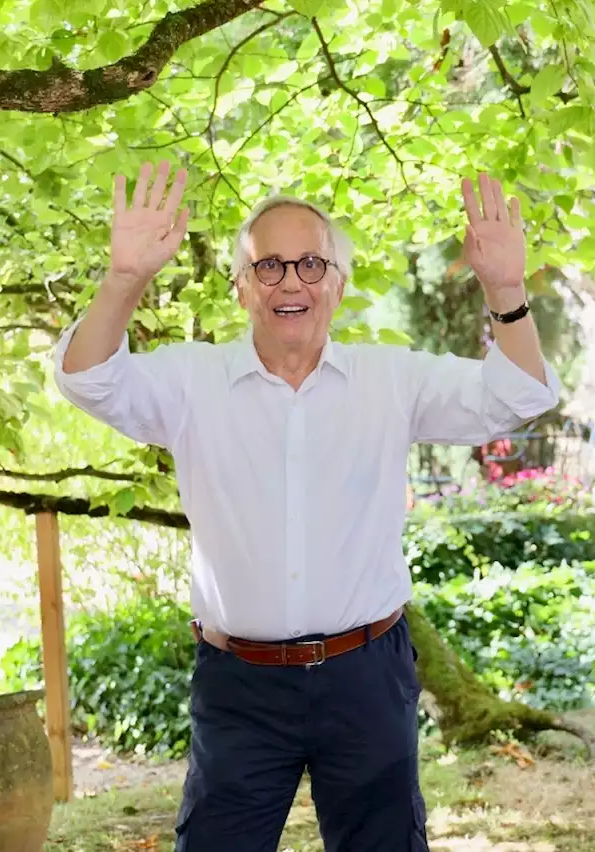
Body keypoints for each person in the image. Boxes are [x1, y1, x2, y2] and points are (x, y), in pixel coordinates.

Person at [53, 161, 561, 851]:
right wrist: (125, 279)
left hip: (366, 675)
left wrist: (505, 288)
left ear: (339, 286)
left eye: (311, 264)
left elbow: (520, 396)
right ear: (241, 288)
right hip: (240, 688)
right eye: (268, 267)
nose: (291, 281)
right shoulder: (190, 381)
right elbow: (88, 378)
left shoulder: (390, 379)